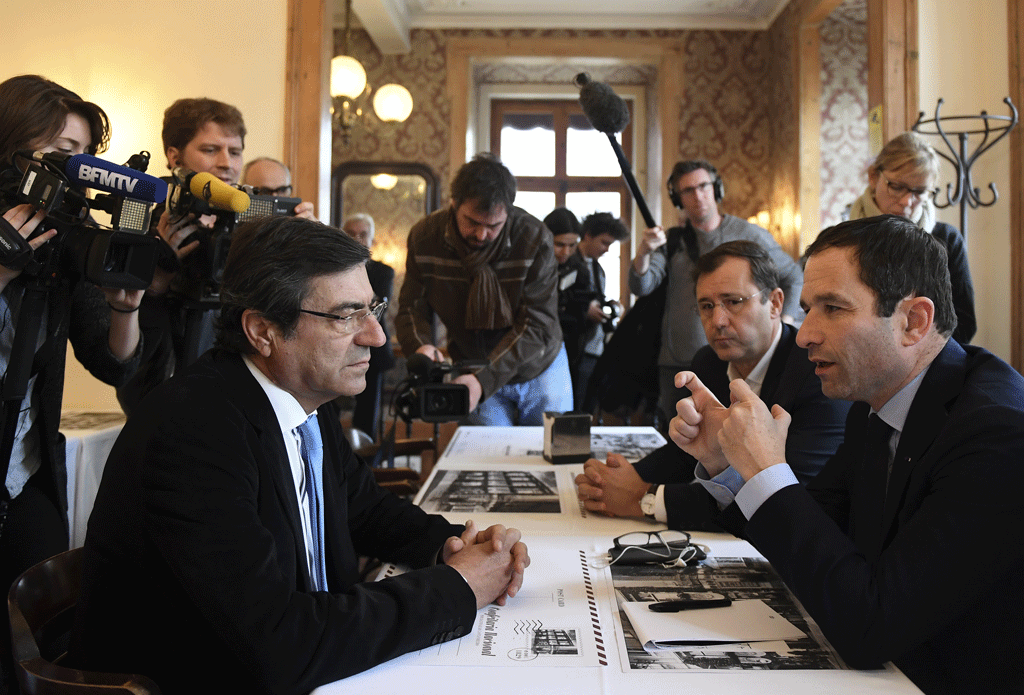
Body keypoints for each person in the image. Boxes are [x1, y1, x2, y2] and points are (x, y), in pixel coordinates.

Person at [71, 214, 530, 695]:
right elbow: (276, 644)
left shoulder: (304, 396)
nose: (376, 334)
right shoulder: (193, 432)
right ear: (263, 331)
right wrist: (456, 589)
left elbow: (364, 509)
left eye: (372, 308)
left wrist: (458, 545)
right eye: (345, 315)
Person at [670, 215, 1024, 695]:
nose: (804, 334)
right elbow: (813, 536)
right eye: (808, 308)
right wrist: (732, 466)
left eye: (833, 309)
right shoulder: (876, 405)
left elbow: (871, 627)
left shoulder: (998, 435)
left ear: (913, 321)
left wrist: (767, 470)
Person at [0, 74, 144, 691]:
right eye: (59, 154)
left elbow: (112, 363)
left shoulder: (63, 243)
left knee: (34, 646)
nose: (73, 173)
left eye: (81, 158)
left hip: (28, 474)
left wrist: (125, 305)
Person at [575, 240, 849, 529]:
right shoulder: (708, 362)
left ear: (775, 303)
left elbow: (783, 498)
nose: (717, 320)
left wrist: (646, 498)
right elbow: (685, 452)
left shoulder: (816, 375)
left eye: (733, 302)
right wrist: (622, 478)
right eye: (706, 306)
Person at [117, 99, 314, 413]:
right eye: (210, 150)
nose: (227, 163)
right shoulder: (143, 219)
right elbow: (125, 366)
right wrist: (158, 277)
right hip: (162, 401)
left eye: (235, 152)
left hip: (241, 402)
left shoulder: (255, 223)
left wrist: (305, 250)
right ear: (174, 156)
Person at [396, 153, 571, 425]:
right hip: (471, 364)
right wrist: (421, 348)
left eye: (493, 226)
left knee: (547, 452)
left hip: (540, 367)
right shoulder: (424, 237)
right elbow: (411, 308)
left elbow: (537, 323)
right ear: (454, 204)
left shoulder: (535, 238)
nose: (481, 235)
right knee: (484, 455)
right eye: (472, 222)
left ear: (509, 212)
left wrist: (484, 379)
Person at [630, 160, 803, 423]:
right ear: (678, 199)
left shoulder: (750, 234)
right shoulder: (673, 240)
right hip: (675, 358)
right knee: (679, 437)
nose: (698, 196)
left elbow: (793, 277)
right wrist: (644, 251)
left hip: (732, 359)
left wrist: (784, 324)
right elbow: (641, 285)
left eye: (703, 186)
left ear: (716, 189)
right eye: (688, 190)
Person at [848, 131, 975, 343]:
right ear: (873, 176)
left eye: (920, 192)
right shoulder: (845, 239)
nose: (907, 201)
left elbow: (963, 323)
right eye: (897, 187)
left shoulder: (946, 240)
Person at [342, 213, 395, 438]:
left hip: (373, 350)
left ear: (371, 239)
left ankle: (369, 459)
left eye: (362, 235)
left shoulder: (384, 272)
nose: (357, 239)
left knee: (369, 413)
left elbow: (376, 307)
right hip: (339, 346)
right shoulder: (332, 272)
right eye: (351, 234)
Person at [571, 212, 627, 412]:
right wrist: (584, 311)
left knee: (590, 407)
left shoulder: (598, 268)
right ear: (587, 235)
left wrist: (612, 306)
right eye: (604, 242)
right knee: (576, 409)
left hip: (596, 348)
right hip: (575, 350)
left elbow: (596, 298)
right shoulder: (569, 263)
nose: (607, 249)